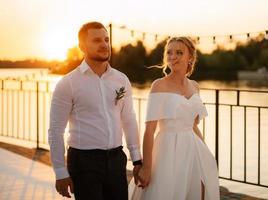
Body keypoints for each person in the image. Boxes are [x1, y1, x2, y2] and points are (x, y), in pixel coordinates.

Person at [48, 21, 142, 200]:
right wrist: (60, 172)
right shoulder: (67, 84)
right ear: (82, 46)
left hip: (116, 160)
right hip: (84, 163)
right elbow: (55, 130)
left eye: (106, 39)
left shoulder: (121, 80)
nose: (104, 44)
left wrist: (137, 159)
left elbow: (129, 120)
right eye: (97, 40)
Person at [129, 37, 220, 200]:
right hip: (167, 150)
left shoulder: (195, 86)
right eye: (169, 52)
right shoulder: (159, 85)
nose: (173, 56)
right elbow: (149, 130)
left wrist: (205, 152)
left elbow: (193, 126)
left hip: (193, 149)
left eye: (179, 52)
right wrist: (147, 167)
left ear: (190, 57)